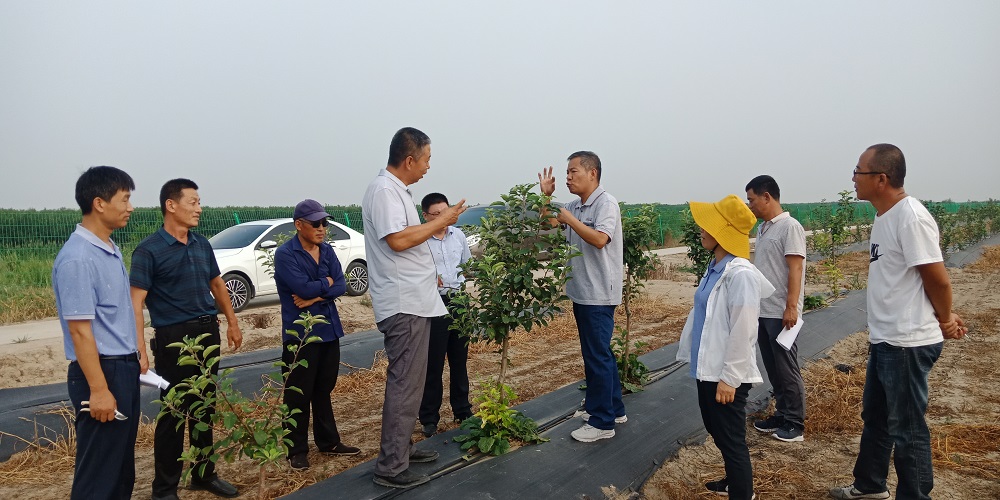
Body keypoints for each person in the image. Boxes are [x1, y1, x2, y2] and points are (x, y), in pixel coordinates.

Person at [829, 144, 967, 500]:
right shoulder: (885, 216)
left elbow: (937, 279)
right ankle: (870, 485)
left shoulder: (911, 217)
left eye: (858, 171)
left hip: (906, 341)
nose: (853, 178)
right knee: (877, 417)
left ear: (881, 178)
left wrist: (946, 318)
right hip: (886, 338)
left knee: (907, 429)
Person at [362, 127, 467, 488]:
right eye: (426, 159)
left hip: (416, 300)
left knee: (413, 382)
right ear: (409, 160)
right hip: (403, 303)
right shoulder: (384, 191)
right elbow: (398, 240)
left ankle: (402, 448)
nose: (428, 167)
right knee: (405, 384)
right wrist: (441, 221)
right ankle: (391, 467)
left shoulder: (397, 192)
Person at [129, 178, 242, 500]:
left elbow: (217, 285)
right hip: (174, 341)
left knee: (205, 406)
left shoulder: (201, 244)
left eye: (199, 202)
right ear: (171, 205)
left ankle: (204, 475)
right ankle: (164, 489)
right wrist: (140, 350)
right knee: (174, 412)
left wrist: (232, 322)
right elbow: (135, 303)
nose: (199, 209)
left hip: (208, 333)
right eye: (193, 202)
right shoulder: (148, 250)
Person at [676, 194, 774, 500]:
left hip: (725, 373)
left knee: (731, 439)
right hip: (708, 367)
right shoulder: (716, 266)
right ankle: (733, 481)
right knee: (716, 428)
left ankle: (742, 492)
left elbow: (744, 330)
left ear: (724, 232)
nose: (701, 230)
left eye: (708, 225)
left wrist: (730, 378)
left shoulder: (740, 275)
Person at [53, 166, 141, 499]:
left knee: (120, 471)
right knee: (99, 477)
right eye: (125, 199)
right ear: (99, 203)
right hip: (102, 373)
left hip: (122, 367)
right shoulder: (78, 258)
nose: (130, 207)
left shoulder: (108, 248)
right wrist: (99, 389)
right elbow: (80, 331)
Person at [538, 151, 626, 443]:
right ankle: (614, 409)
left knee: (597, 356)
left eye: (573, 172)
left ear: (592, 173)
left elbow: (600, 239)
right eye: (567, 173)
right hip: (583, 291)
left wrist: (570, 220)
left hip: (599, 294)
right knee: (599, 354)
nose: (567, 178)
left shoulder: (606, 204)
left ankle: (602, 422)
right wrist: (546, 199)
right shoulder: (574, 205)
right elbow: (547, 224)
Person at [274, 199, 361, 471]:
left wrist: (314, 297)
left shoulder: (327, 250)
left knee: (324, 388)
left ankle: (329, 442)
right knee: (298, 393)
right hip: (301, 335)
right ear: (299, 225)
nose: (322, 228)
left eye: (324, 223)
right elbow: (301, 287)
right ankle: (296, 450)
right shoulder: (285, 254)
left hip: (328, 330)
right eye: (316, 224)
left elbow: (342, 284)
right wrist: (327, 284)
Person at [745, 175, 807, 443]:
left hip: (781, 312)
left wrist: (791, 307)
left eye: (752, 200)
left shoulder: (790, 227)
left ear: (767, 196)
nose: (750, 205)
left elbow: (796, 268)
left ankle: (795, 423)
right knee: (773, 367)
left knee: (786, 368)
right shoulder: (764, 228)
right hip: (764, 310)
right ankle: (781, 414)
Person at [417, 192, 474, 438]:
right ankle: (429, 417)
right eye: (436, 214)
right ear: (425, 216)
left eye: (445, 212)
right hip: (434, 302)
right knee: (434, 363)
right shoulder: (420, 240)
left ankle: (462, 410)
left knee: (460, 360)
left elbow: (467, 265)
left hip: (459, 301)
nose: (443, 217)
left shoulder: (458, 235)